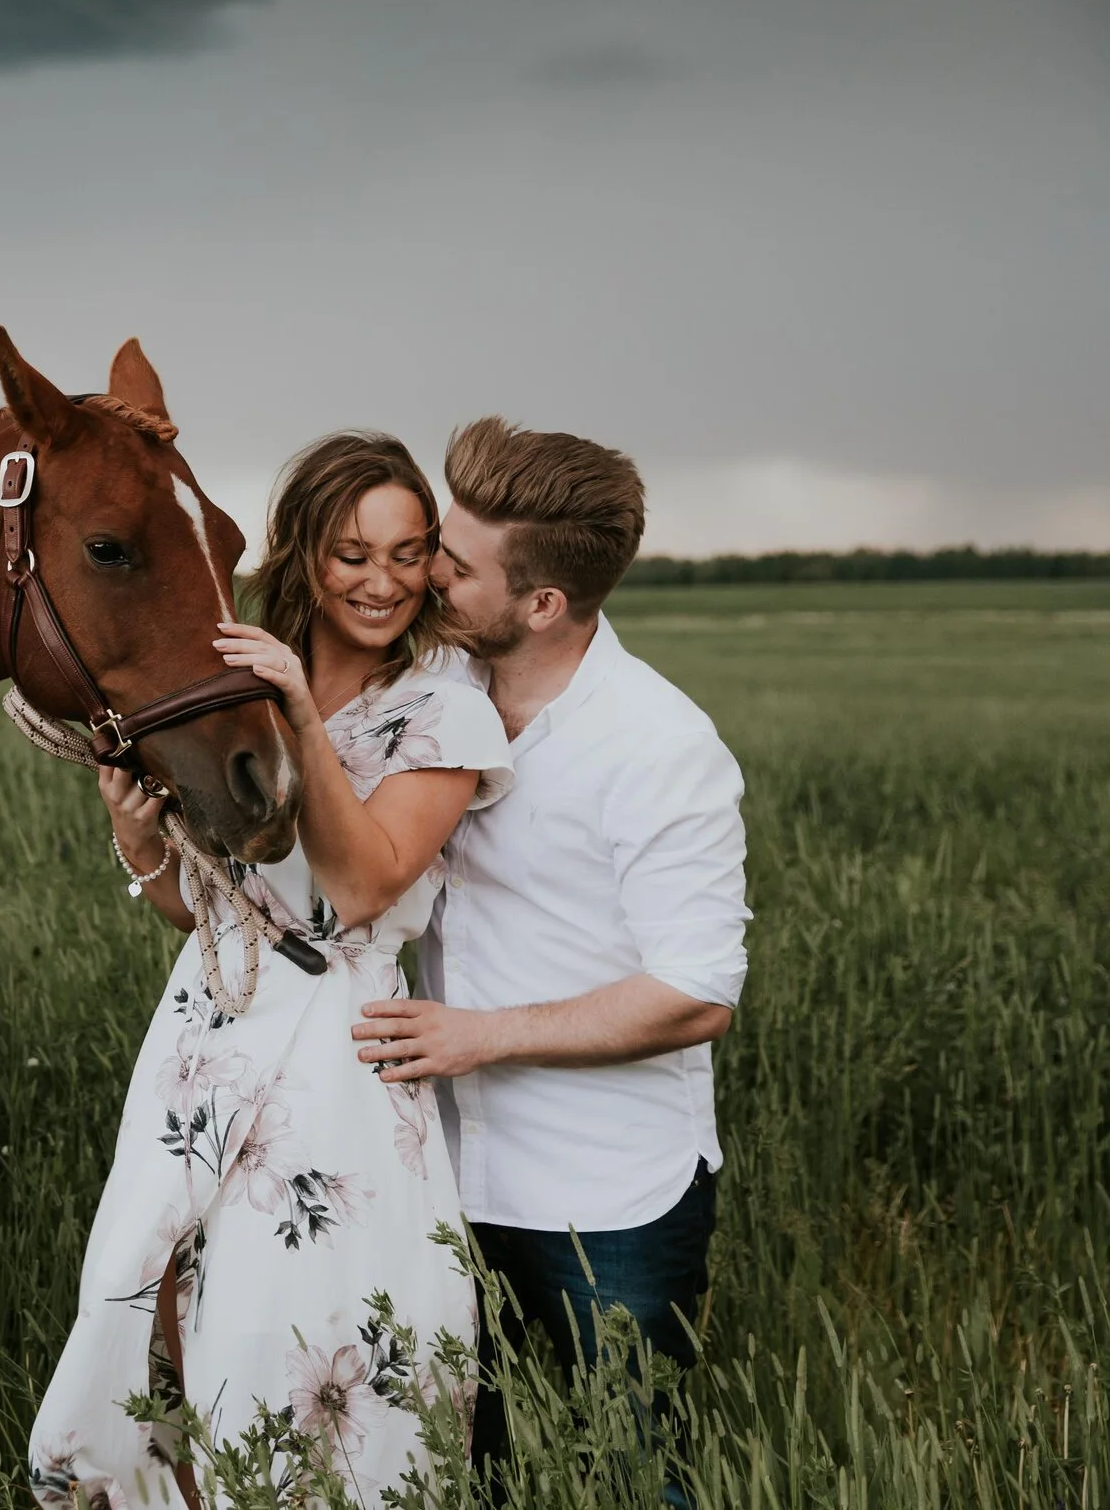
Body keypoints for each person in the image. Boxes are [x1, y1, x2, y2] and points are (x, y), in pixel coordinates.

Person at [30, 432, 514, 1510]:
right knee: (158, 1304)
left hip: (337, 1056)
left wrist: (301, 712)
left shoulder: (444, 709)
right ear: (303, 552)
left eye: (407, 553)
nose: (382, 581)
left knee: (289, 1328)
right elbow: (204, 906)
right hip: (204, 1037)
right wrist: (136, 839)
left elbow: (363, 885)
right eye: (353, 554)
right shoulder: (231, 681)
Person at [350, 418, 749, 1499]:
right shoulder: (426, 689)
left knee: (629, 1478)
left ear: (542, 603)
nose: (428, 573)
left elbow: (695, 994)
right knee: (448, 1473)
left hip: (607, 1198)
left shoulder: (661, 745)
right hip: (434, 1176)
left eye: (455, 563)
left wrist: (478, 1037)